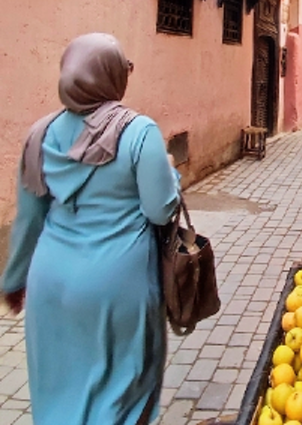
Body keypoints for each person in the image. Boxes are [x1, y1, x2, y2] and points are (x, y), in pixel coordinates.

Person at [1, 33, 180, 425]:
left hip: (51, 287)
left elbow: (29, 220)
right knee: (122, 393)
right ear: (113, 76)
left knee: (59, 394)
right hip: (117, 289)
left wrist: (14, 281)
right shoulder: (139, 132)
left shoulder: (40, 135)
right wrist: (170, 172)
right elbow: (160, 210)